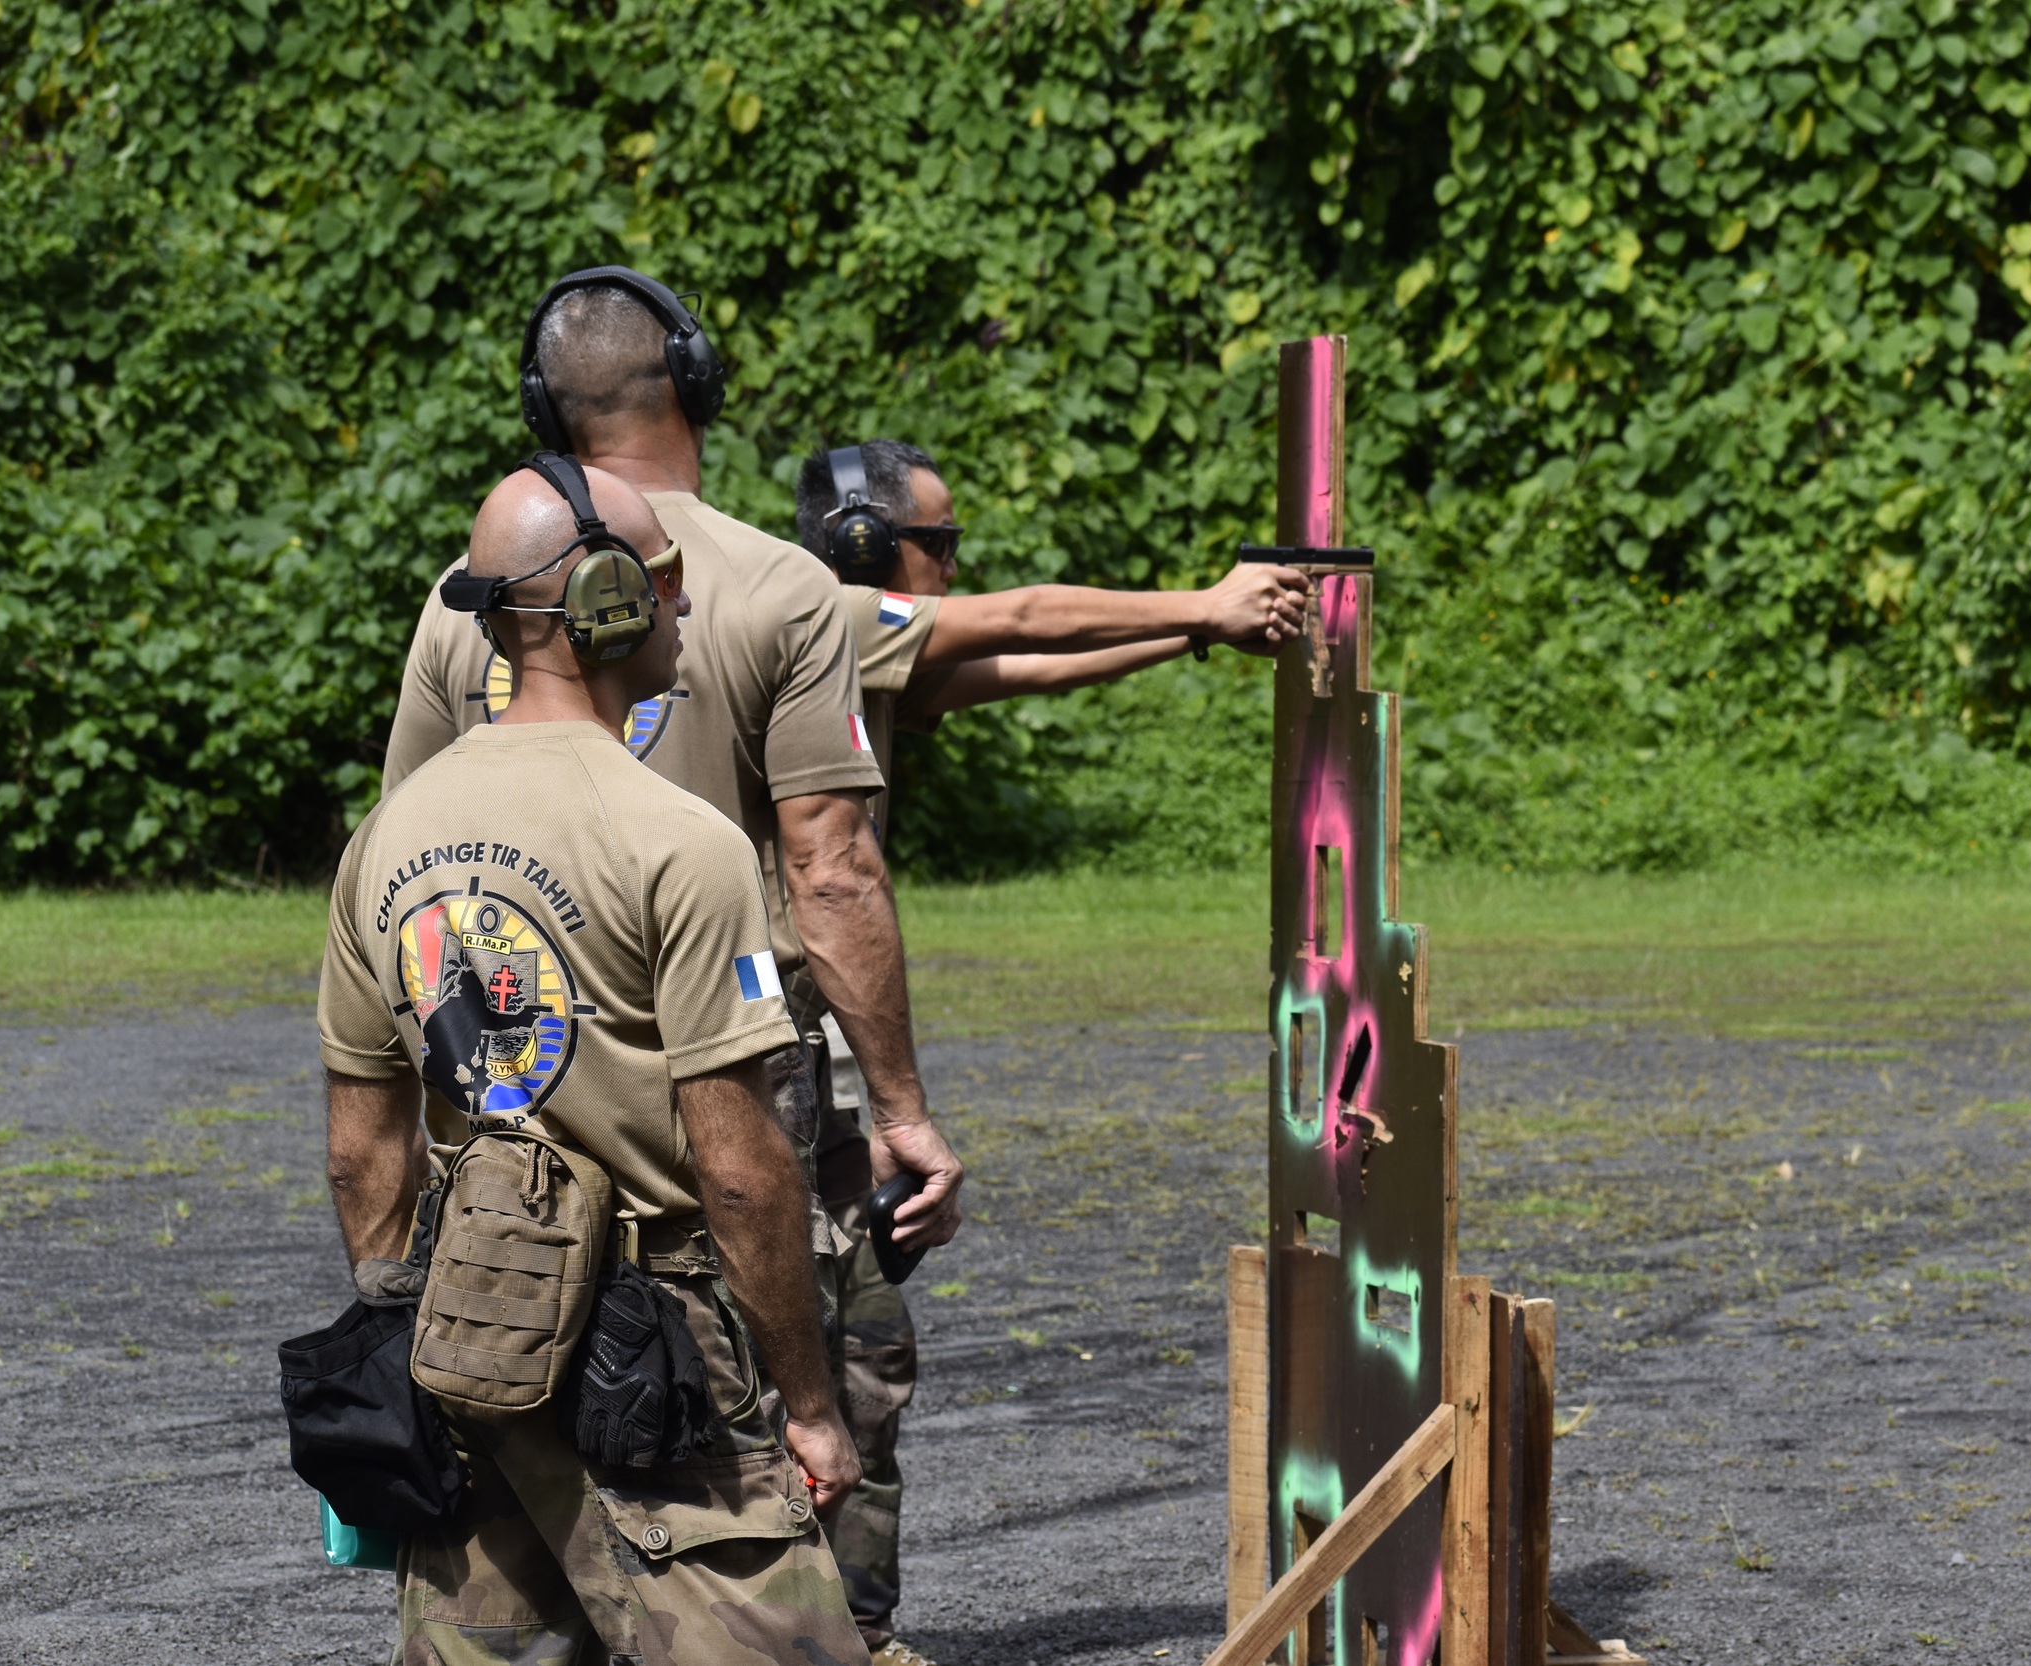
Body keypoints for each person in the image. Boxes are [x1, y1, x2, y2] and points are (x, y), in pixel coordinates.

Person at [320, 457, 869, 1666]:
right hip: (650, 1355)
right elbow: (737, 1170)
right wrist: (813, 1408)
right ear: (609, 602)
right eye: (664, 586)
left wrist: (420, 1343)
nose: (680, 608)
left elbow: (365, 1154)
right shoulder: (684, 842)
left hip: (464, 1347)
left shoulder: (384, 839)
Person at [791, 440, 1310, 1658]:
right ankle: (836, 1634)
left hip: (798, 1041)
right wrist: (1203, 598)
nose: (956, 570)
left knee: (844, 1335)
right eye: (940, 546)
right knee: (845, 1343)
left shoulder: (835, 643)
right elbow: (1014, 616)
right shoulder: (828, 608)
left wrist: (1191, 638)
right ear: (870, 546)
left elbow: (1007, 664)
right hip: (784, 1046)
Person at [381, 269, 964, 1294]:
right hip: (730, 1062)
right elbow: (829, 870)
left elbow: (406, 868)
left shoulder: (458, 601)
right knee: (761, 1394)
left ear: (543, 410)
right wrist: (899, 1108)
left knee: (534, 1373)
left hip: (518, 1053)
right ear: (695, 382)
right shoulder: (785, 586)